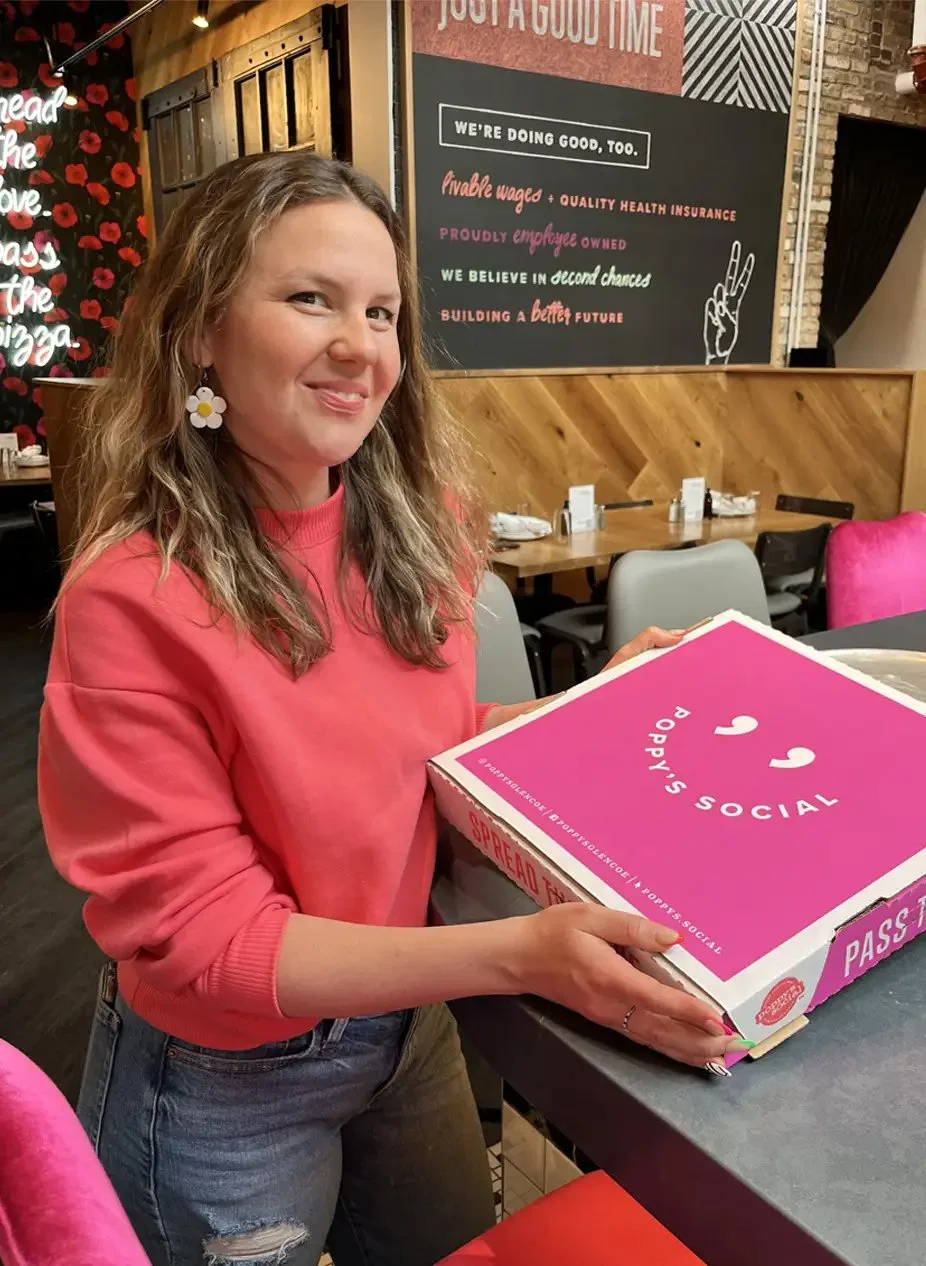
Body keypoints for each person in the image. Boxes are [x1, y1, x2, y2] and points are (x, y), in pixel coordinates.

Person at [38, 151, 742, 1266]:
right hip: (223, 1083)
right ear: (199, 334)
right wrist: (521, 956)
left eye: (382, 311)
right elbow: (208, 943)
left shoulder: (412, 534)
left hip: (402, 1029)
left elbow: (416, 756)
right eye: (308, 298)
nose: (360, 347)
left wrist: (592, 716)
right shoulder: (131, 598)